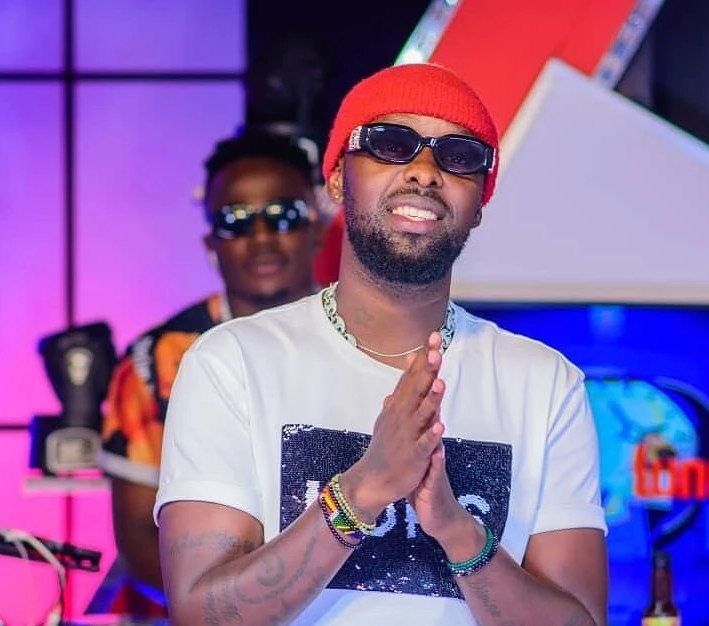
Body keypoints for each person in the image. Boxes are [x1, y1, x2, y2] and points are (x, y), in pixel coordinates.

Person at [155, 63, 608, 625]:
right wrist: (363, 490)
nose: (425, 172)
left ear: (479, 204)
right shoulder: (232, 363)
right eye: (392, 144)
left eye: (458, 156)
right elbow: (201, 615)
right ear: (337, 179)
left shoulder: (545, 384)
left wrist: (459, 532)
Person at [98, 129, 326, 610]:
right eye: (235, 222)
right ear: (210, 243)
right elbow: (138, 537)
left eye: (283, 216)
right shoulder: (155, 359)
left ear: (318, 228)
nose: (261, 239)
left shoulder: (368, 337)